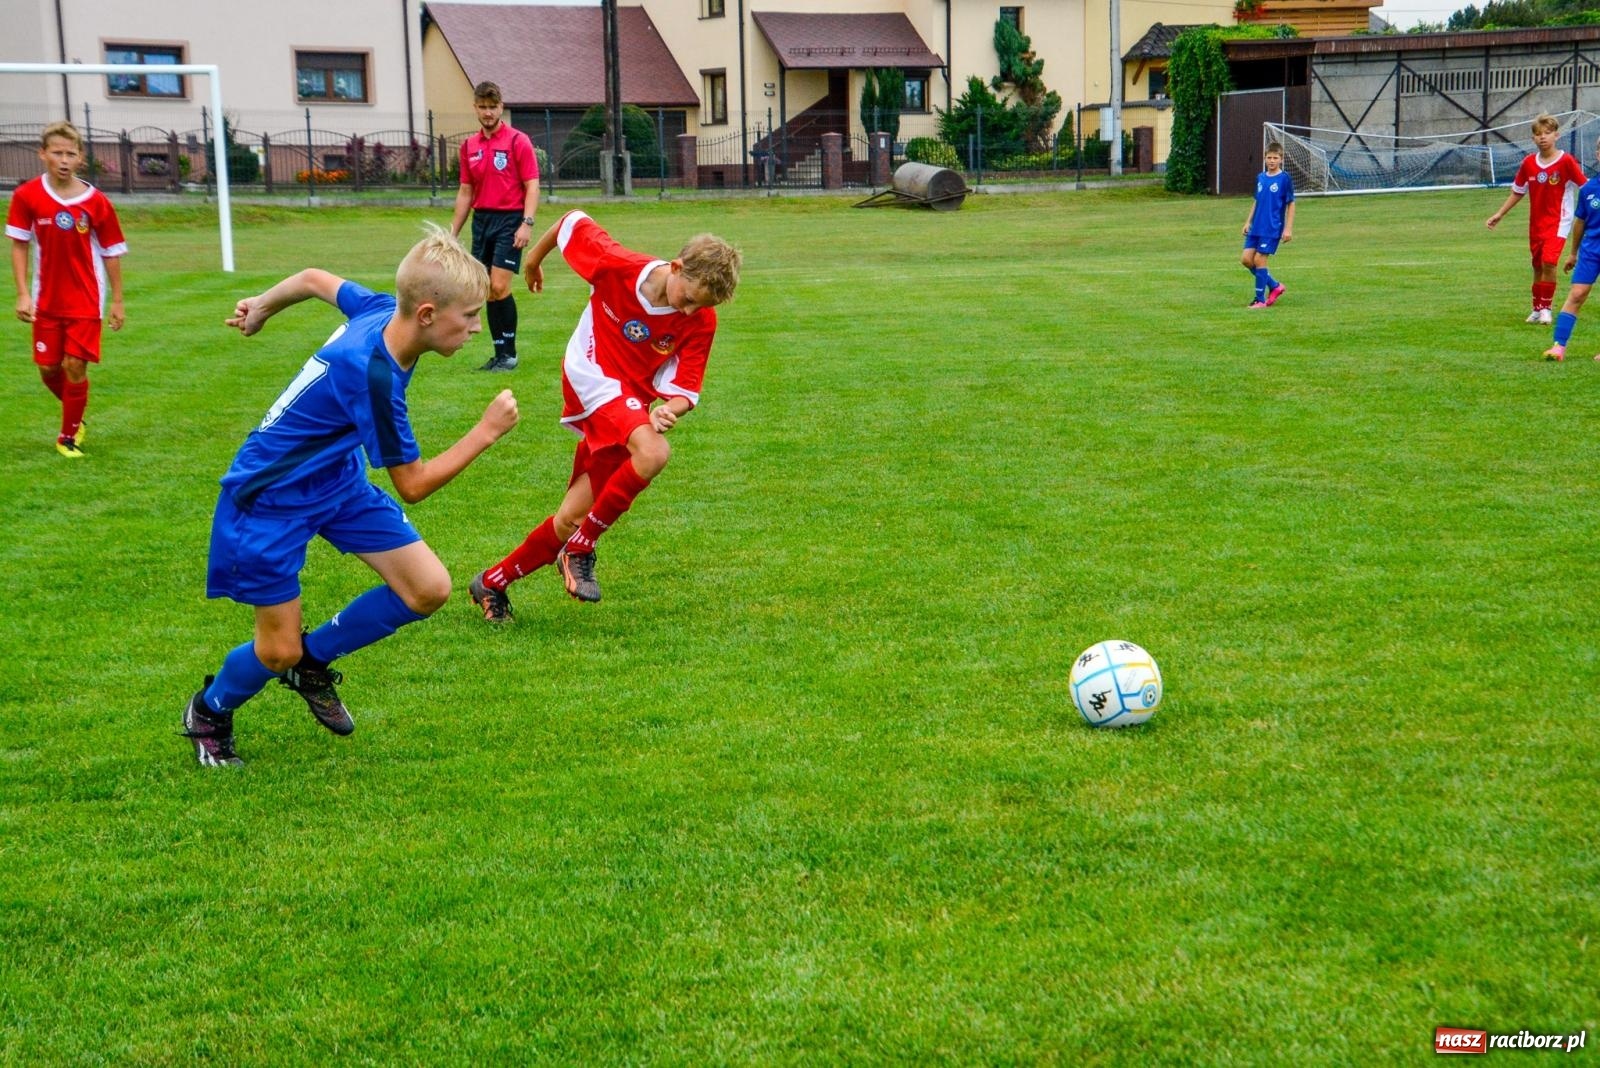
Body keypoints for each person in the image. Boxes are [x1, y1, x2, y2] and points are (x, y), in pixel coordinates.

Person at [182, 227, 519, 766]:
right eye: (470, 316)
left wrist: (264, 306)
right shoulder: (375, 377)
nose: (477, 328)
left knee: (427, 589)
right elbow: (414, 484)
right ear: (428, 314)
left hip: (335, 481)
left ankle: (311, 663)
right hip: (268, 499)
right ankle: (210, 710)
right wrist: (485, 431)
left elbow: (315, 279)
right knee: (276, 649)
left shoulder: (385, 309)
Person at [466, 210, 740, 620]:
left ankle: (492, 583)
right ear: (677, 267)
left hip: (627, 403)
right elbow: (570, 222)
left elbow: (687, 386)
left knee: (571, 516)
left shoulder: (701, 318)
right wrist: (533, 260)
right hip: (590, 373)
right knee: (654, 453)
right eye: (687, 299)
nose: (687, 313)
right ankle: (582, 546)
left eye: (698, 308)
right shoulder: (617, 266)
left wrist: (671, 409)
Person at [6, 121, 127, 459]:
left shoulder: (96, 202)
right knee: (48, 368)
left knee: (75, 365)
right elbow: (18, 245)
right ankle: (76, 413)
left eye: (70, 154)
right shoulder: (27, 196)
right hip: (46, 299)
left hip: (86, 300)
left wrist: (117, 300)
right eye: (57, 153)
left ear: (80, 158)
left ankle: (68, 436)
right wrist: (22, 293)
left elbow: (112, 251)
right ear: (42, 154)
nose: (63, 159)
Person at [449, 80, 539, 372]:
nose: (488, 112)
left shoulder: (517, 141)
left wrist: (526, 223)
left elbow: (532, 186)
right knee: (488, 290)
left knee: (500, 285)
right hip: (482, 221)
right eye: (482, 107)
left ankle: (509, 354)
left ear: (501, 107)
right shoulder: (469, 146)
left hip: (510, 220)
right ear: (475, 107)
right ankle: (499, 354)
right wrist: (452, 233)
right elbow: (466, 191)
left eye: (493, 107)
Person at [1486, 113, 1586, 325]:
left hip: (1559, 222)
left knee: (1550, 262)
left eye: (1547, 133)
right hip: (1536, 223)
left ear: (1556, 135)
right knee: (1538, 266)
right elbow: (1517, 191)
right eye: (1538, 134)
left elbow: (1584, 187)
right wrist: (1499, 214)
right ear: (1533, 138)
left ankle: (1547, 309)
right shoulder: (1529, 163)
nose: (1543, 137)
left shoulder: (1566, 161)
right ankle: (1536, 307)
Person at [1543, 140, 1600, 361]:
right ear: (1597, 154)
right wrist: (1573, 253)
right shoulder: (1588, 189)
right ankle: (1558, 347)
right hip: (1590, 251)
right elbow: (1580, 222)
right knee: (1577, 294)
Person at [1240, 142, 1295, 309]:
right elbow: (1257, 201)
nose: (1272, 161)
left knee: (1259, 259)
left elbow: (1291, 203)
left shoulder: (1284, 179)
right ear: (1264, 159)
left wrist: (1288, 228)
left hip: (1272, 227)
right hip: (1256, 226)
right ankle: (1275, 286)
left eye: (1275, 158)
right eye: (1269, 158)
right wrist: (1248, 221)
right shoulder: (1261, 178)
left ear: (1281, 159)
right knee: (1246, 260)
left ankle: (1260, 300)